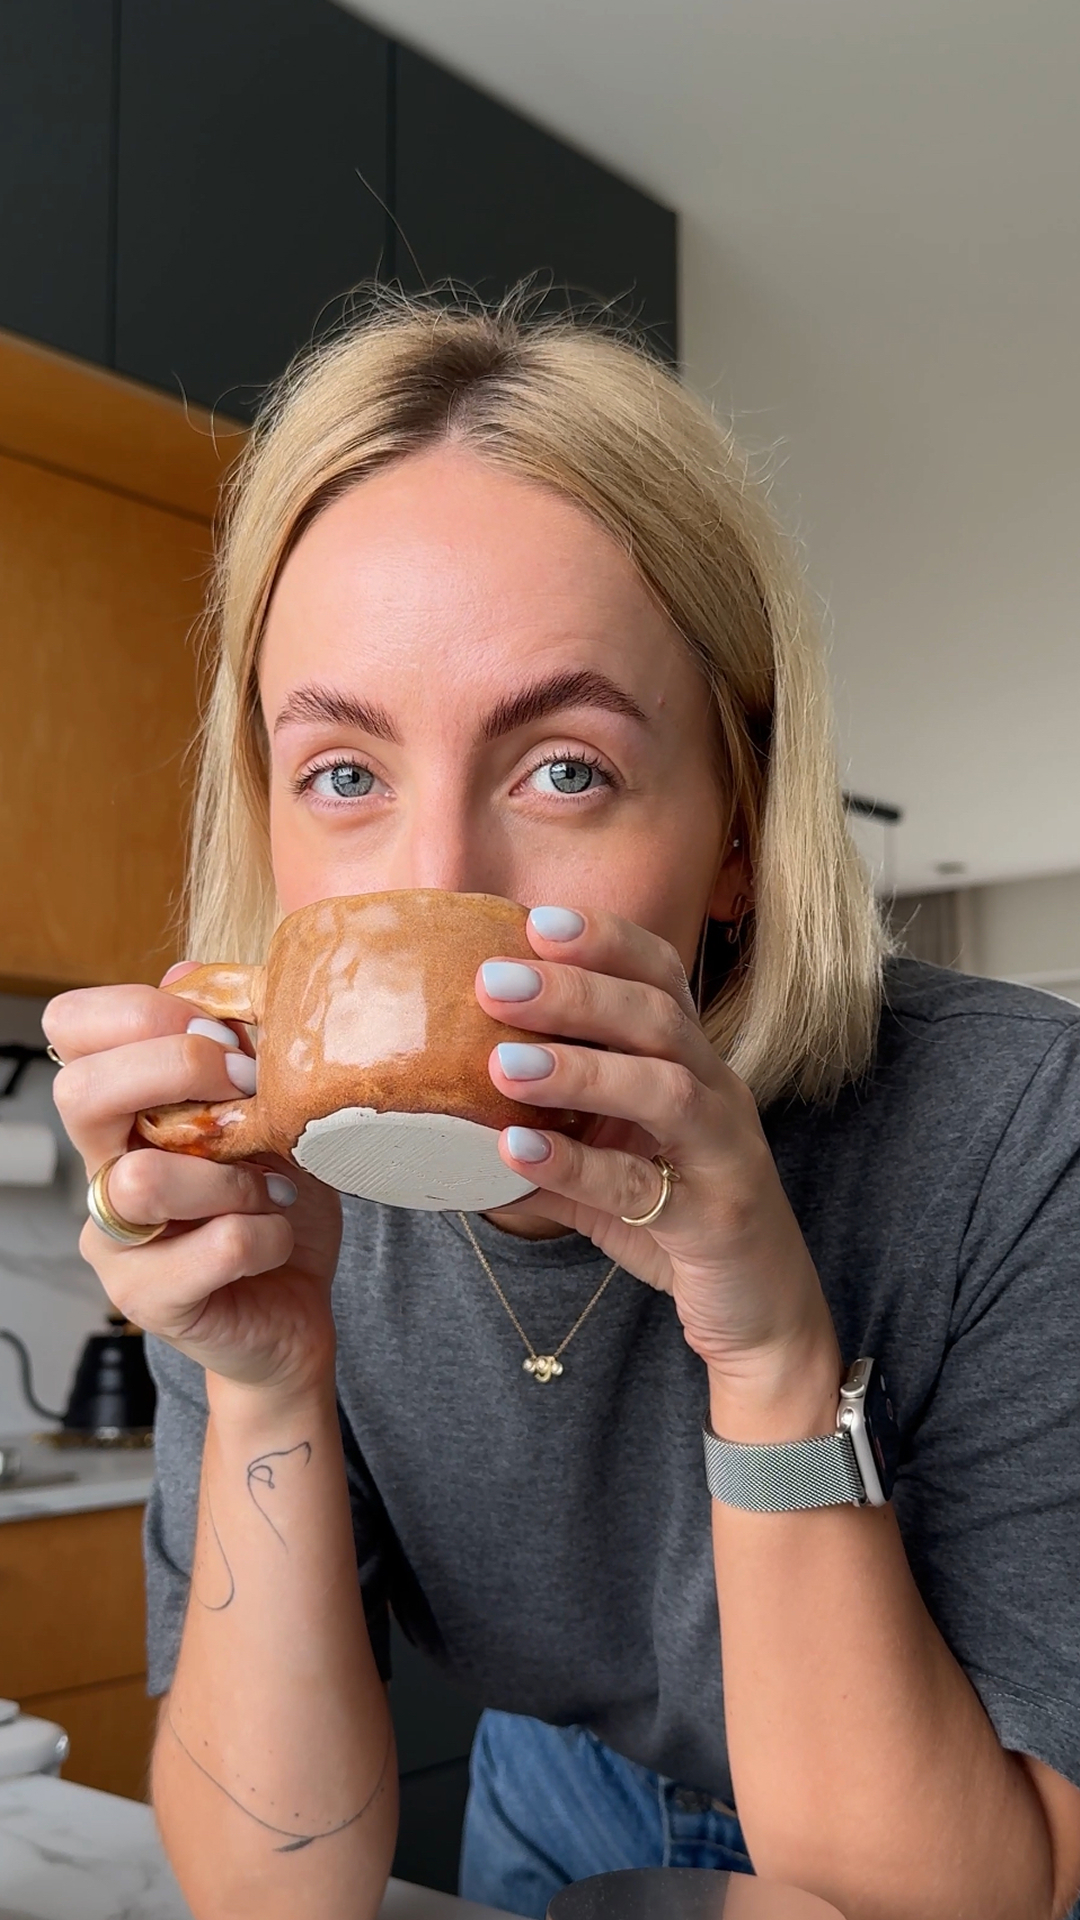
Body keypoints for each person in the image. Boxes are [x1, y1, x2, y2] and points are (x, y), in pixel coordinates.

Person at [45, 298, 1080, 1920]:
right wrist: (260, 1379)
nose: (440, 884)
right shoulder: (265, 1193)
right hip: (555, 1791)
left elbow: (957, 1902)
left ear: (738, 827)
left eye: (567, 769)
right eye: (344, 774)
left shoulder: (1016, 1128)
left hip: (939, 1793)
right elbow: (267, 1896)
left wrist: (772, 1355)